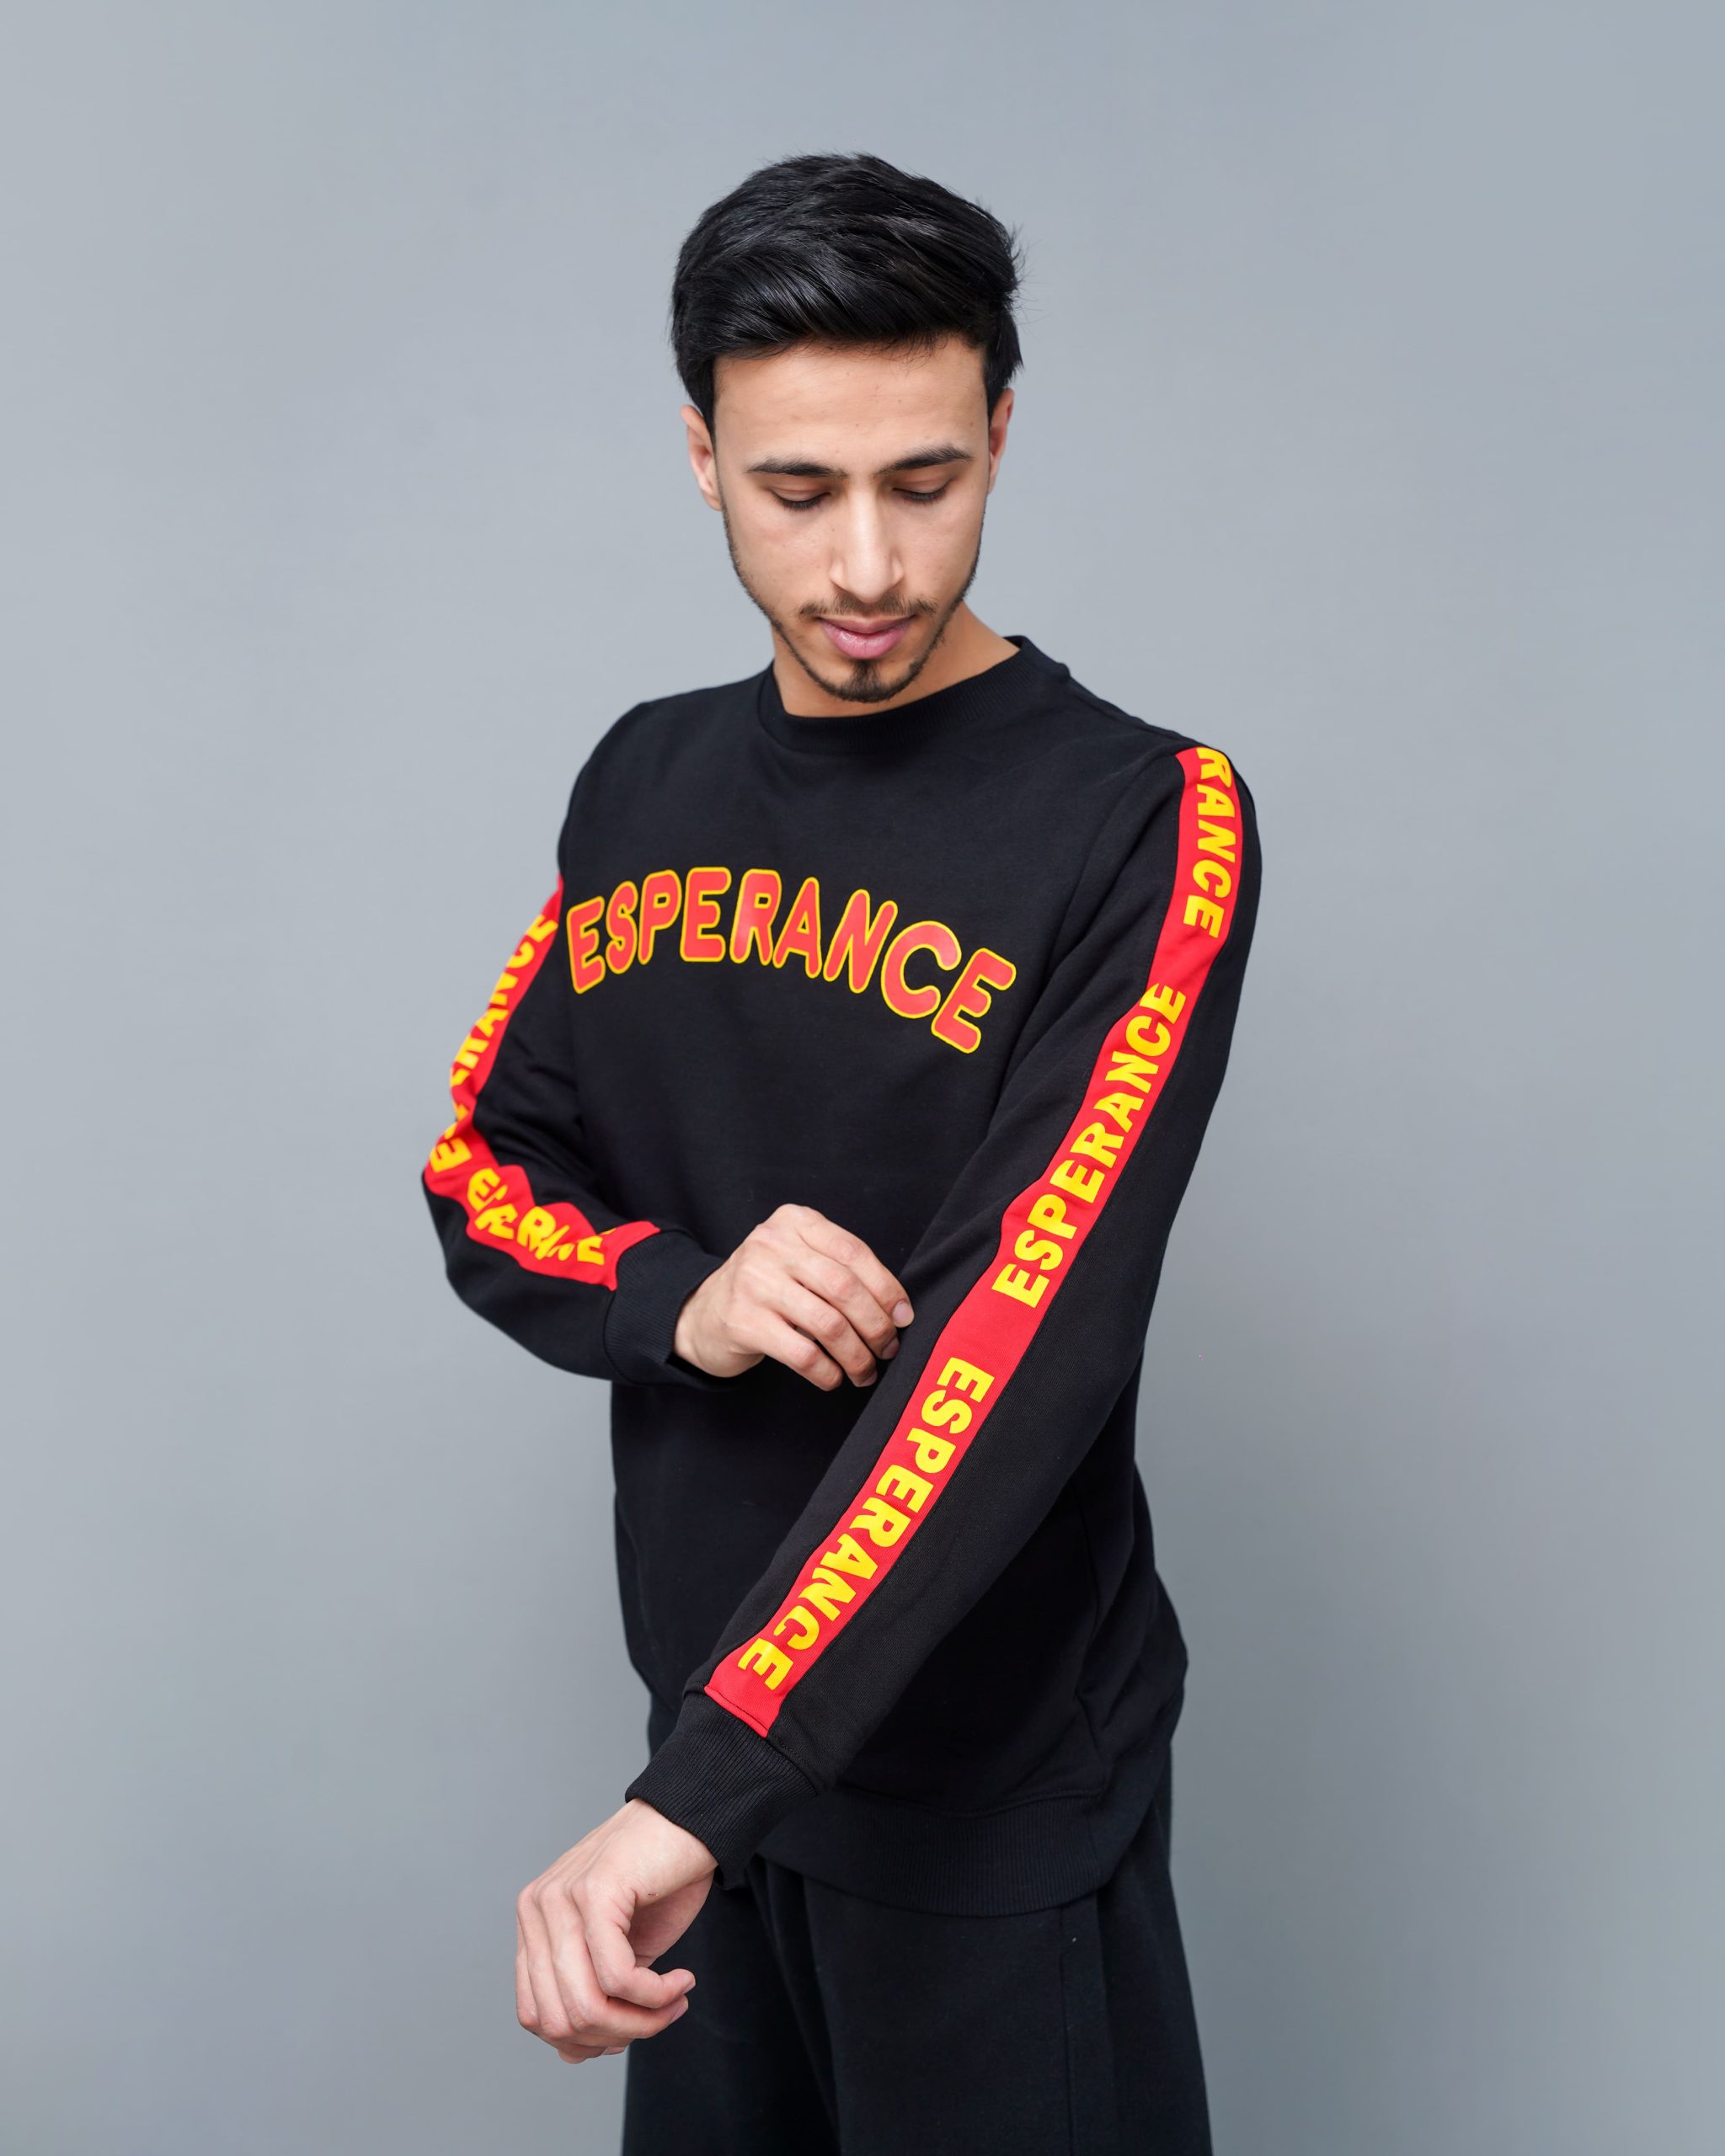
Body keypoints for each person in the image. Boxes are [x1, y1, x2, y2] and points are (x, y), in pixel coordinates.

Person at [421, 148, 1261, 2155]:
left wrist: (697, 1786)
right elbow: (479, 1165)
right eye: (799, 491)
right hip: (707, 1792)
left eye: (927, 481)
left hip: (981, 1806)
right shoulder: (640, 778)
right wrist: (678, 1292)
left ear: (1000, 435)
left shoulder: (1147, 819)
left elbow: (1015, 1349)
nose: (869, 563)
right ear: (700, 455)